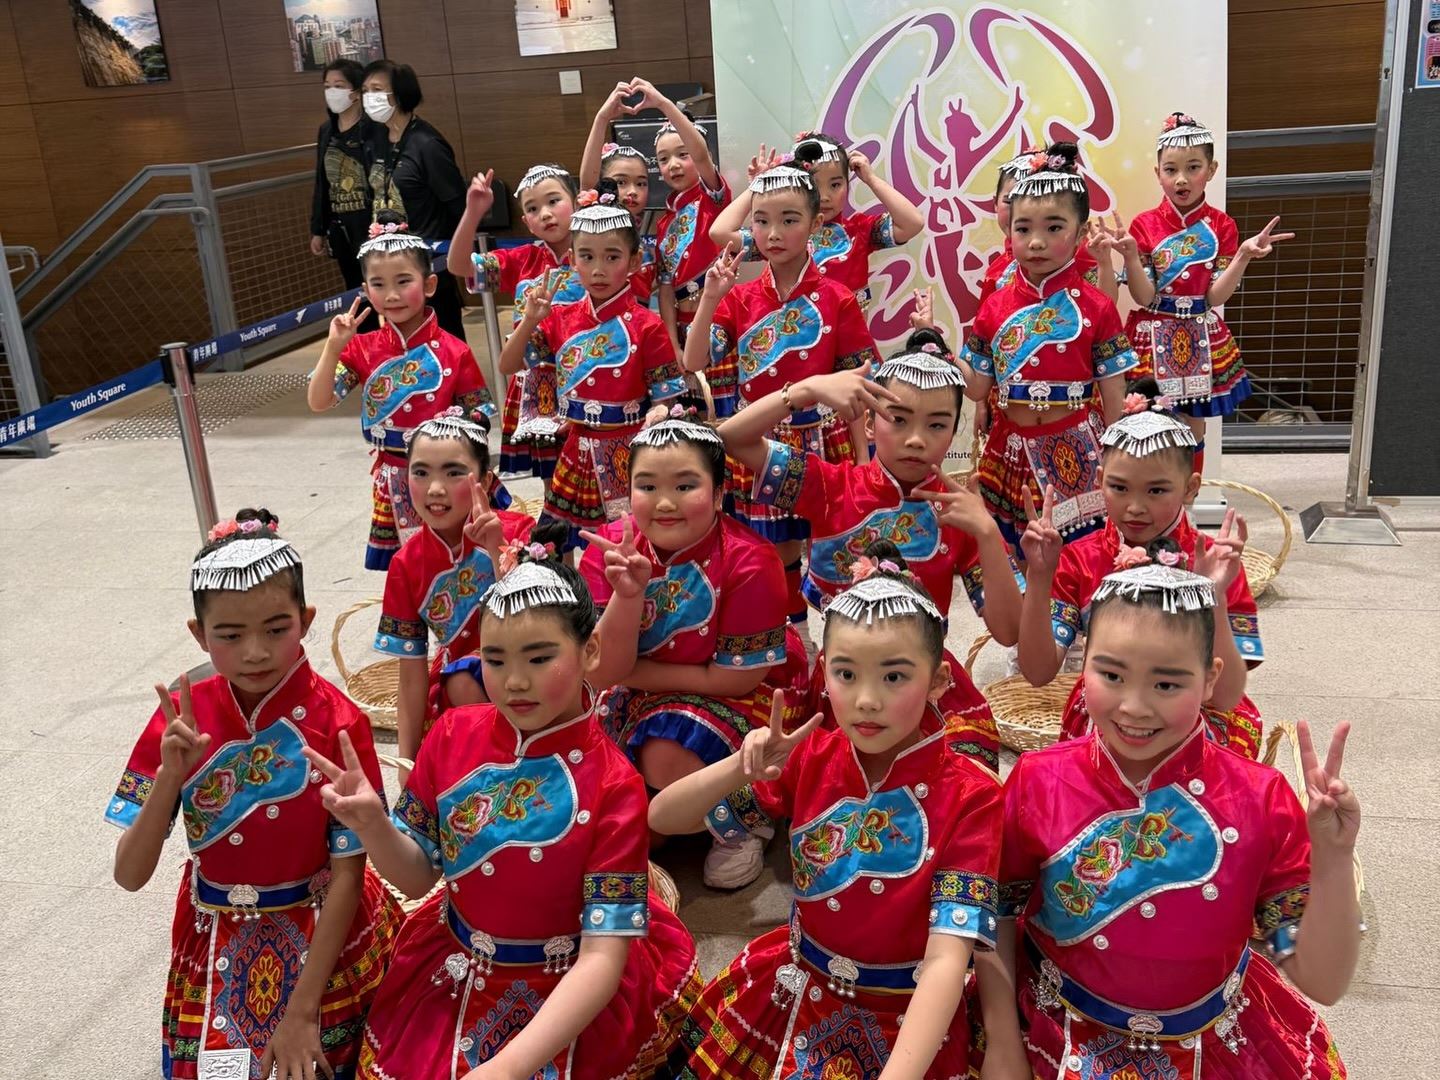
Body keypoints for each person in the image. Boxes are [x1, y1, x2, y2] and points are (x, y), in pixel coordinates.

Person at [303, 543, 703, 1079]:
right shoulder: (451, 735)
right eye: (495, 660)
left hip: (573, 994)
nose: (515, 681)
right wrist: (374, 825)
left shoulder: (616, 786)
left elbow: (602, 959)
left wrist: (509, 1067)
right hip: (455, 969)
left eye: (538, 659)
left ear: (590, 651)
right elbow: (418, 877)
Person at [984, 564, 1359, 1078]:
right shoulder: (1037, 779)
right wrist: (1003, 1043)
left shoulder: (1260, 799)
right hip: (1053, 1030)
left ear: (1210, 679)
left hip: (1216, 1038)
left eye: (1166, 683)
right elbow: (996, 915)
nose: (1134, 707)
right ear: (1083, 667)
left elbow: (1322, 981)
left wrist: (1335, 857)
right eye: (1111, 675)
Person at [651, 554, 1007, 1079]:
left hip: (912, 1020)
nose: (866, 700)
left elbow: (946, 960)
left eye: (894, 676)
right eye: (846, 673)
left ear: (938, 681)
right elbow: (663, 816)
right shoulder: (811, 756)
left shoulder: (973, 796)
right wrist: (739, 766)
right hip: (797, 986)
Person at [107, 510, 401, 1080]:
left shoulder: (339, 722)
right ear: (198, 634)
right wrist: (169, 777)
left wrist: (302, 1011)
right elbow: (129, 874)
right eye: (230, 635)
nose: (255, 652)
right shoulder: (179, 719)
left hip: (325, 931)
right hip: (214, 928)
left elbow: (348, 874)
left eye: (275, 628)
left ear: (306, 621)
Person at [721, 330, 1023, 768]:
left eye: (936, 424)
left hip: (925, 683)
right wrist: (805, 390)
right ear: (868, 423)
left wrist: (990, 536)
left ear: (954, 431)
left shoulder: (962, 515)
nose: (916, 439)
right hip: (844, 683)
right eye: (898, 419)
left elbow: (1008, 632)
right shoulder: (831, 488)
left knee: (960, 775)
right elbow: (731, 439)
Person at [578, 415, 810, 888]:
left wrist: (634, 675)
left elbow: (736, 680)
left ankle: (743, 825)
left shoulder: (751, 560)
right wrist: (627, 596)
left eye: (685, 486)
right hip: (641, 689)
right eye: (647, 486)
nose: (664, 503)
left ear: (720, 493)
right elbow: (600, 672)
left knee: (666, 752)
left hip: (741, 693)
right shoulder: (610, 550)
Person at [1016, 386, 1266, 758]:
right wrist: (1039, 579)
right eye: (1119, 487)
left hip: (1196, 716)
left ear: (1190, 487)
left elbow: (1225, 695)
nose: (1135, 507)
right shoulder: (1079, 559)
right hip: (1109, 716)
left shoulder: (1216, 563)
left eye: (1156, 491)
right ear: (1099, 480)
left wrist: (1212, 596)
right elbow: (1038, 673)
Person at [685, 164, 879, 623]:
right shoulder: (739, 297)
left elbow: (855, 384)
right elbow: (694, 361)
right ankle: (794, 634)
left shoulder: (838, 297)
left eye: (789, 220)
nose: (773, 233)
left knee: (833, 545)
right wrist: (710, 297)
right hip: (759, 439)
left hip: (824, 436)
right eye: (762, 220)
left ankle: (840, 634)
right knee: (777, 550)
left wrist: (862, 461)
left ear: (815, 223)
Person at [962, 142, 1139, 556]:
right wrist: (938, 350)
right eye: (1023, 229)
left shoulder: (1097, 307)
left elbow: (1114, 397)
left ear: (1081, 233)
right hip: (1009, 448)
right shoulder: (994, 306)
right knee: (1019, 552)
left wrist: (1118, 460)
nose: (1036, 242)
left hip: (1078, 447)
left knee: (1082, 551)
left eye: (1054, 228)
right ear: (1009, 232)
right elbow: (976, 388)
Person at [306, 213, 499, 571]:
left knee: (463, 563)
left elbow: (481, 415)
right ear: (365, 291)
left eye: (403, 281)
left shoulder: (454, 350)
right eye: (378, 284)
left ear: (429, 285)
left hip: (446, 476)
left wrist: (454, 443)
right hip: (394, 477)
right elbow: (319, 401)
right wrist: (333, 347)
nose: (391, 295)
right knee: (408, 569)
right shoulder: (361, 348)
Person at [500, 180, 687, 546]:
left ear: (634, 262)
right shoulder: (558, 318)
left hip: (629, 452)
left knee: (629, 544)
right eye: (587, 257)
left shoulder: (647, 325)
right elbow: (509, 365)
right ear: (572, 260)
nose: (598, 269)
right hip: (574, 449)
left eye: (612, 257)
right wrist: (530, 320)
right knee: (555, 542)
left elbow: (666, 394)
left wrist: (660, 413)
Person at [1107, 112, 1293, 467]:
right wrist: (1130, 256)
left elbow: (1214, 298)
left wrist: (1242, 256)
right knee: (1144, 422)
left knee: (1193, 427)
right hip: (1153, 333)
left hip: (1199, 334)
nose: (1181, 179)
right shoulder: (1144, 224)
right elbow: (1145, 297)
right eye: (1171, 169)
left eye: (1193, 167)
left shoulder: (1223, 225)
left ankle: (1189, 494)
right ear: (1158, 173)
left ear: (1212, 169)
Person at [374, 409, 536, 780]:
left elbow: (542, 618)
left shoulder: (519, 531)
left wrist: (496, 549)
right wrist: (406, 765)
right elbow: (410, 674)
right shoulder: (405, 564)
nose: (435, 488)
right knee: (464, 677)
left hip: (533, 663)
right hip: (460, 688)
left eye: (453, 472)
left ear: (486, 479)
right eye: (420, 472)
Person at [449, 163, 586, 482]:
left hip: (586, 376)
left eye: (554, 201)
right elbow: (459, 266)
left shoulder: (594, 254)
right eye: (533, 209)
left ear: (576, 202)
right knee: (553, 479)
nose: (545, 214)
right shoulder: (522, 260)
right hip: (538, 384)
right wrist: (473, 212)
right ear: (526, 222)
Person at [709, 131, 925, 309]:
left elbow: (912, 223)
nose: (824, 196)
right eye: (814, 183)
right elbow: (719, 232)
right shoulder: (784, 236)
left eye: (835, 184)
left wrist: (871, 178)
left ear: (848, 184)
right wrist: (762, 184)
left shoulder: (859, 230)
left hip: (852, 347)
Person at [361, 59, 470, 340]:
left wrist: (454, 254)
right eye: (365, 90)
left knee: (442, 335)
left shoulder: (427, 143)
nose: (369, 97)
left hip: (429, 260)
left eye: (377, 90)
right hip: (389, 258)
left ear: (399, 94)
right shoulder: (377, 139)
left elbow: (457, 204)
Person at [637, 77, 731, 362]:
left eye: (682, 154)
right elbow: (665, 290)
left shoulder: (712, 199)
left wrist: (663, 104)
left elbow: (701, 156)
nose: (673, 165)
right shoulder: (664, 223)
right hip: (681, 329)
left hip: (720, 322)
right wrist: (672, 343)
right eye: (663, 159)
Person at [310, 58, 377, 331]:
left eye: (339, 85)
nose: (331, 92)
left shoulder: (373, 128)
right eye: (327, 86)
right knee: (355, 292)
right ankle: (367, 344)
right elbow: (321, 182)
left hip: (370, 223)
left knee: (382, 286)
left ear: (356, 91)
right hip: (342, 225)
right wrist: (318, 228)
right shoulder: (326, 131)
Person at [579, 82, 660, 303]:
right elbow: (587, 183)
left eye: (641, 183)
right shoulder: (593, 226)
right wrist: (602, 118)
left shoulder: (652, 247)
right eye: (621, 182)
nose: (632, 191)